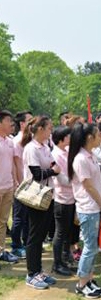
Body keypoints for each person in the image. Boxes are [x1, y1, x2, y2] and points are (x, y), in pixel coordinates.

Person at [68, 122, 101, 297]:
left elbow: (97, 184)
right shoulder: (81, 159)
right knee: (90, 247)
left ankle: (89, 279)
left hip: (94, 206)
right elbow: (89, 187)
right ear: (89, 137)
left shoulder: (90, 156)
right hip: (88, 207)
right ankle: (82, 283)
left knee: (92, 246)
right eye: (98, 134)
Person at [22, 115, 60, 289]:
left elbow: (53, 165)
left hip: (47, 195)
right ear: (40, 129)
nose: (51, 130)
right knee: (34, 235)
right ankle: (31, 273)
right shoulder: (31, 148)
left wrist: (52, 170)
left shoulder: (45, 146)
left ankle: (38, 271)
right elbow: (37, 175)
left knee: (41, 234)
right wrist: (52, 171)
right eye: (49, 128)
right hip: (35, 197)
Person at [51, 126, 74, 276]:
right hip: (61, 198)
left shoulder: (66, 152)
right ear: (61, 139)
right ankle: (57, 263)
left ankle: (65, 259)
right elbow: (62, 179)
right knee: (60, 233)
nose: (70, 137)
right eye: (68, 136)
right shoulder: (55, 155)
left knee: (67, 232)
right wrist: (78, 181)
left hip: (71, 197)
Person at [11, 110, 32, 259]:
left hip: (30, 183)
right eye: (30, 121)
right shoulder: (17, 141)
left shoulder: (29, 140)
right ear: (22, 124)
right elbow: (17, 165)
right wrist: (20, 184)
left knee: (26, 216)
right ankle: (16, 245)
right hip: (21, 184)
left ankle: (26, 243)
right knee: (18, 217)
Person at [0, 110, 19, 264]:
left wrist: (14, 181)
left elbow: (13, 163)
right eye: (8, 120)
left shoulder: (10, 141)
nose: (11, 124)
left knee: (3, 221)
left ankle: (1, 251)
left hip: (8, 186)